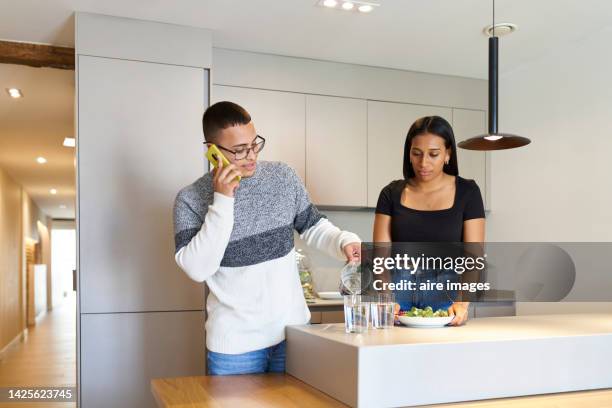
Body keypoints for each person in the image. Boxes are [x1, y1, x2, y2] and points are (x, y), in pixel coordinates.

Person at [173, 101, 361, 375]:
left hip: (293, 336)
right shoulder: (190, 199)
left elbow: (313, 225)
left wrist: (343, 240)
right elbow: (198, 268)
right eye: (239, 150)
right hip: (235, 348)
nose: (251, 156)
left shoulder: (283, 177)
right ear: (212, 151)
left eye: (254, 144)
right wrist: (223, 200)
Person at [372, 116, 485, 326]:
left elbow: (474, 256)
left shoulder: (468, 192)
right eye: (416, 153)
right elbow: (381, 258)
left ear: (448, 154)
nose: (423, 163)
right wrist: (386, 298)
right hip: (398, 290)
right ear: (409, 153)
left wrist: (462, 301)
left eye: (433, 154)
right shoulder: (390, 194)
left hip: (446, 292)